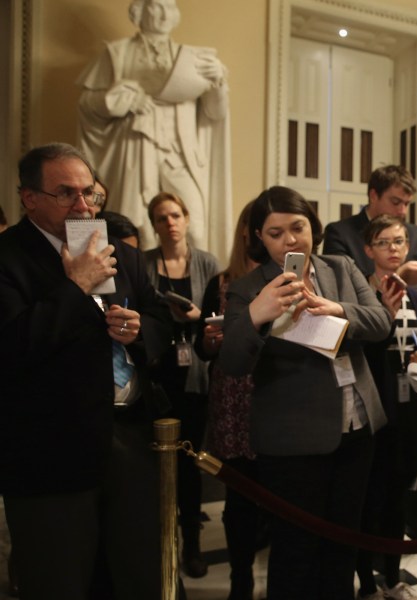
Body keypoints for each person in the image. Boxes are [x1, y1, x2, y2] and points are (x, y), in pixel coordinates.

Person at [0, 142, 169, 600]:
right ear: (29, 197)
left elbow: (161, 321)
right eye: (66, 194)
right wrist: (76, 288)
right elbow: (13, 345)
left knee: (135, 576)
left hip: (130, 442)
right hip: (50, 454)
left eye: (89, 193)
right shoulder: (8, 257)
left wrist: (140, 332)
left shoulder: (118, 250)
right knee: (61, 580)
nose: (83, 206)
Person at [217, 186, 391, 599]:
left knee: (344, 543)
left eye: (297, 227)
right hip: (293, 439)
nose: (290, 240)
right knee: (296, 552)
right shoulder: (248, 287)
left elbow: (381, 322)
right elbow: (232, 363)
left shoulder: (341, 267)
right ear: (260, 237)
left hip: (357, 425)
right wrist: (258, 314)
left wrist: (338, 310)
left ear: (312, 227)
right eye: (276, 233)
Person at [77, 0, 232, 257]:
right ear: (139, 11)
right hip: (136, 151)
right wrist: (120, 98)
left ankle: (199, 288)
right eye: (157, 6)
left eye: (170, 7)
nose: (164, 14)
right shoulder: (117, 53)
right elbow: (88, 105)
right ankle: (140, 288)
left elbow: (215, 113)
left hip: (180, 154)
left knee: (195, 227)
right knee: (138, 229)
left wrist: (217, 83)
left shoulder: (193, 58)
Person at [144, 191, 220, 578]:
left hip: (194, 374)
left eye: (175, 215)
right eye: (161, 218)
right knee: (154, 465)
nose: (170, 223)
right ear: (154, 225)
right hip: (156, 375)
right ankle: (157, 543)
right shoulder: (143, 263)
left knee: (190, 465)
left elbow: (216, 319)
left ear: (187, 218)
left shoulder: (206, 262)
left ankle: (191, 545)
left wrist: (193, 316)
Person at [356, 214, 417, 600]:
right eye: (384, 242)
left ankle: (390, 574)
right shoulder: (362, 295)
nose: (393, 250)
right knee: (368, 500)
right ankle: (366, 582)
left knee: (398, 497)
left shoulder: (415, 296)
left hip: (408, 411)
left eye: (399, 242)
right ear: (369, 250)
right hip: (371, 411)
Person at [194, 200, 260, 600]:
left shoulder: (285, 279)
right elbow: (200, 348)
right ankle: (241, 579)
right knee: (240, 497)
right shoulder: (221, 281)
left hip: (276, 396)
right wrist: (208, 340)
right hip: (233, 398)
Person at [322, 165, 417, 310]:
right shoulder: (340, 233)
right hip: (368, 325)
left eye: (406, 204)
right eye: (396, 202)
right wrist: (400, 277)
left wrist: (400, 291)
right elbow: (343, 289)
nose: (403, 211)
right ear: (373, 196)